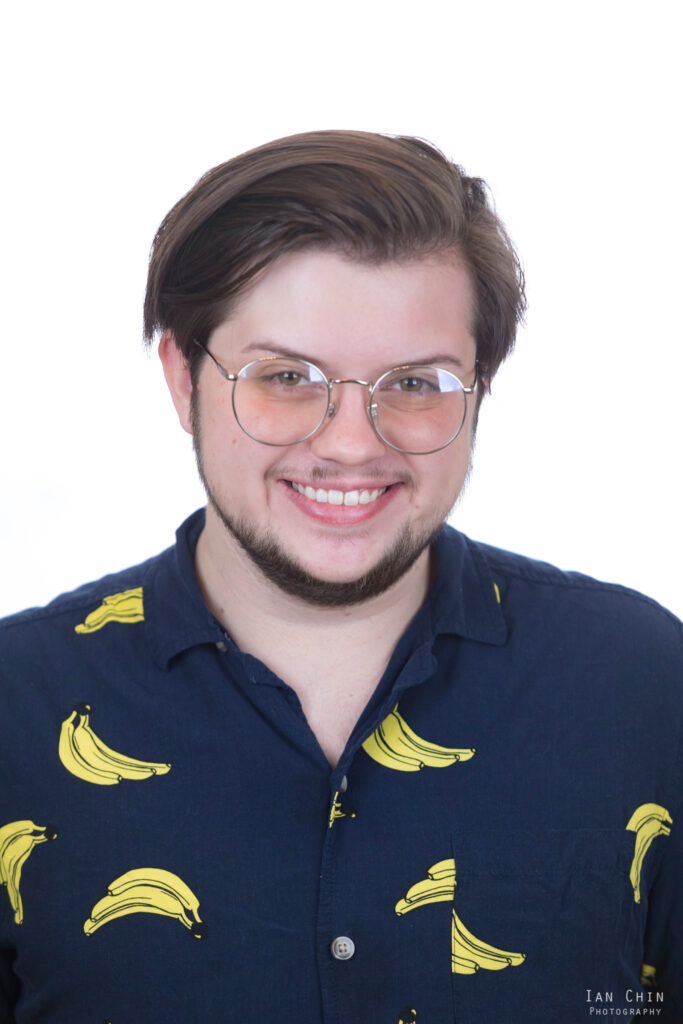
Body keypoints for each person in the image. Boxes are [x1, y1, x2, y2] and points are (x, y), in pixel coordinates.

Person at [0, 130, 681, 1024]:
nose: (352, 442)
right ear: (181, 379)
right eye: (285, 375)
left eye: (416, 381)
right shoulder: (16, 704)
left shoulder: (641, 681)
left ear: (480, 389)